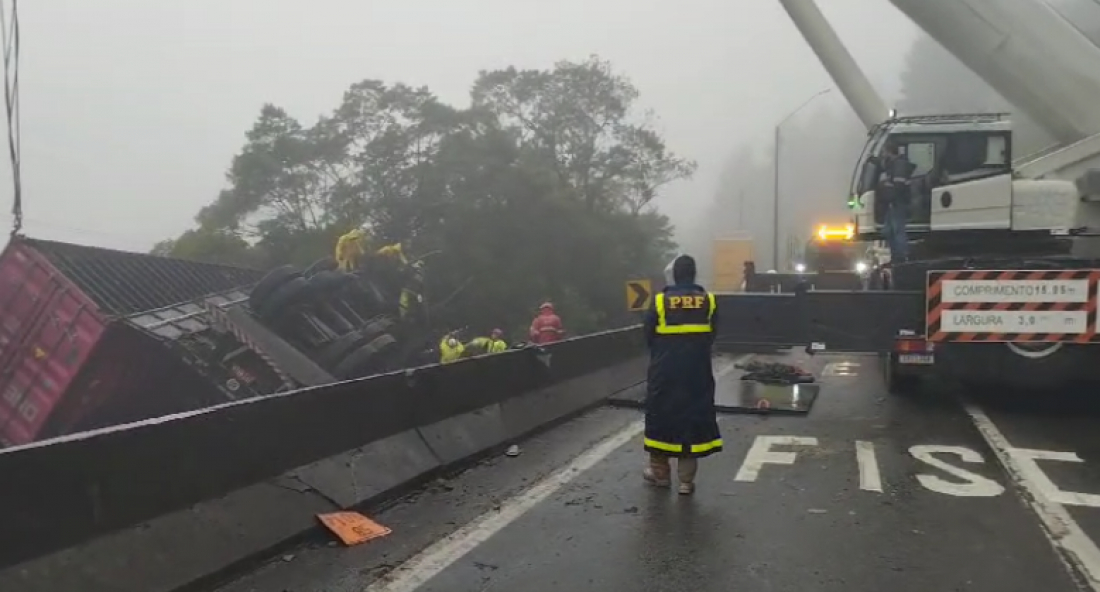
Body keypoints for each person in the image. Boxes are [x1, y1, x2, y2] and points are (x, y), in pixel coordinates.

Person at [642, 254, 721, 495]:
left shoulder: (659, 302)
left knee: (661, 418)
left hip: (665, 373)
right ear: (694, 274)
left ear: (674, 275)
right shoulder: (709, 301)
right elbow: (712, 336)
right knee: (692, 421)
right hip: (697, 373)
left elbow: (648, 335)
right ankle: (686, 481)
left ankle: (660, 474)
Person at [877, 142, 916, 263]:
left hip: (898, 202)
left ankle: (902, 256)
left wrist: (887, 192)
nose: (883, 154)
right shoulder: (893, 165)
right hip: (893, 203)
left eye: (884, 152)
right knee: (888, 231)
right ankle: (895, 255)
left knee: (898, 230)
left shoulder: (899, 165)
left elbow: (898, 186)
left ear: (889, 151)